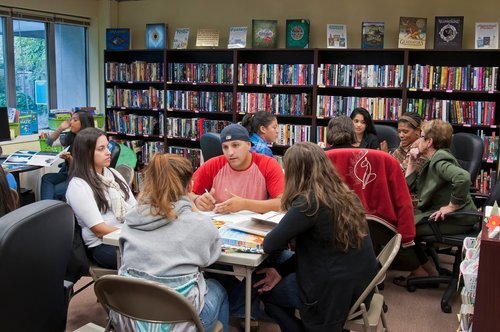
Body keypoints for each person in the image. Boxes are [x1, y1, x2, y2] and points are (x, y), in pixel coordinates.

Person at [254, 142, 378, 331]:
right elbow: (319, 250)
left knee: (264, 292)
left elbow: (269, 244)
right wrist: (281, 271)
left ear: (294, 174)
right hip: (359, 286)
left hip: (332, 294)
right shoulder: (346, 194)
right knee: (281, 266)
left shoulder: (309, 202)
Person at [119, 153, 229, 332]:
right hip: (180, 324)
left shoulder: (131, 219)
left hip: (133, 320)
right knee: (218, 288)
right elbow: (211, 257)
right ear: (190, 186)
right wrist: (192, 206)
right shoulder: (199, 224)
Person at [393, 119, 477, 286]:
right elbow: (407, 186)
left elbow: (463, 178)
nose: (419, 140)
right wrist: (411, 160)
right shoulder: (433, 159)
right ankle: (430, 273)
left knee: (401, 230)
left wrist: (452, 205)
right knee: (406, 225)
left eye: (422, 137)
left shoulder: (439, 160)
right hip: (450, 215)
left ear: (429, 142)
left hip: (458, 218)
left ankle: (420, 273)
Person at [66, 128, 136, 269]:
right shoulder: (78, 186)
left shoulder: (113, 174)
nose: (108, 152)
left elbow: (134, 208)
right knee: (152, 258)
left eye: (107, 147)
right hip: (104, 245)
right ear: (86, 153)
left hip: (126, 237)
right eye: (101, 149)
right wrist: (134, 236)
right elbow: (99, 229)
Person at [192, 123, 284, 214]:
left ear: (248, 145)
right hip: (218, 224)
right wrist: (197, 199)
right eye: (225, 147)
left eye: (235, 145)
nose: (230, 152)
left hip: (255, 226)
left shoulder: (268, 164)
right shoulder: (212, 165)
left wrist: (245, 205)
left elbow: (282, 203)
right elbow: (183, 192)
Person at [41, 110, 95, 200]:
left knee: (55, 191)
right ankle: (45, 209)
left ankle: (48, 210)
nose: (71, 123)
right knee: (46, 178)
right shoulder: (72, 136)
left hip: (82, 176)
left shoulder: (89, 140)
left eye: (75, 120)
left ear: (84, 123)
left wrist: (69, 158)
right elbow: (49, 142)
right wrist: (60, 128)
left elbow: (82, 168)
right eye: (71, 120)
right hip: (69, 172)